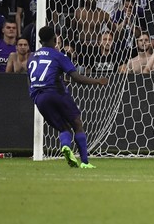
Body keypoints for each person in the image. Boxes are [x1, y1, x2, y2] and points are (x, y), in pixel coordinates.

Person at [28, 26, 107, 168]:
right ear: (55, 39)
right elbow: (77, 78)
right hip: (56, 93)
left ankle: (65, 146)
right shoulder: (58, 55)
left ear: (40, 41)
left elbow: (32, 80)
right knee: (77, 123)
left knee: (63, 128)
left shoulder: (32, 57)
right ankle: (84, 162)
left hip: (39, 98)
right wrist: (97, 81)